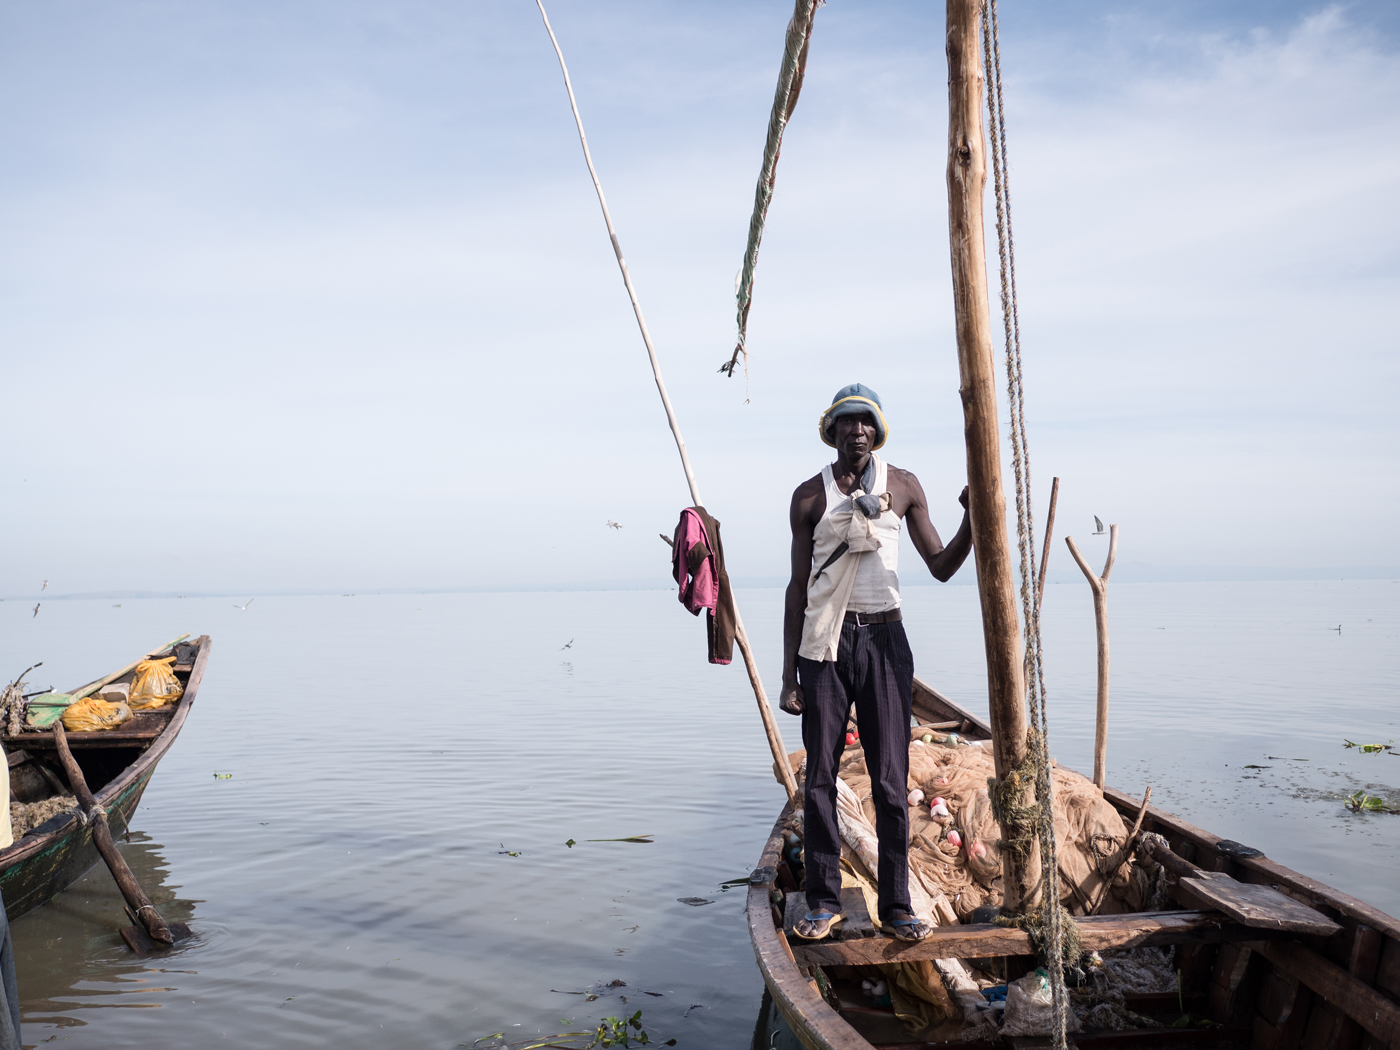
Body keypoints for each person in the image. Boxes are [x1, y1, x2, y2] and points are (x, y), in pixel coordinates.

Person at [780, 383, 972, 942]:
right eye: (848, 421)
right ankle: (822, 900)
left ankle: (897, 905)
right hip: (825, 644)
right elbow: (797, 588)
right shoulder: (809, 497)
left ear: (877, 431)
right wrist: (789, 675)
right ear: (833, 431)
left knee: (890, 779)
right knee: (820, 776)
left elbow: (941, 566)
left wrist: (973, 520)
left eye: (866, 421)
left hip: (886, 642)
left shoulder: (903, 485)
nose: (858, 430)